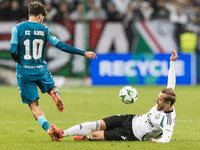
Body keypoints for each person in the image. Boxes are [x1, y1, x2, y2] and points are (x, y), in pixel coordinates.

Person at [10, 1, 97, 141]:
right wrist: (84, 52)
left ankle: (48, 129)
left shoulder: (17, 28)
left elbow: (13, 51)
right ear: (39, 16)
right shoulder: (44, 30)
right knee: (53, 87)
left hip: (24, 71)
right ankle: (53, 93)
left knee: (34, 106)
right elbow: (61, 45)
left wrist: (17, 60)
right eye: (43, 17)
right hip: (41, 69)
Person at [50, 50, 178, 143]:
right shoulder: (166, 98)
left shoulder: (167, 119)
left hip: (131, 134)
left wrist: (159, 141)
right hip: (131, 119)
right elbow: (171, 83)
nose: (156, 101)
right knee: (97, 124)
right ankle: (62, 133)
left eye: (160, 100)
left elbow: (167, 136)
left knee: (95, 135)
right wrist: (172, 63)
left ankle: (86, 137)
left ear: (168, 104)